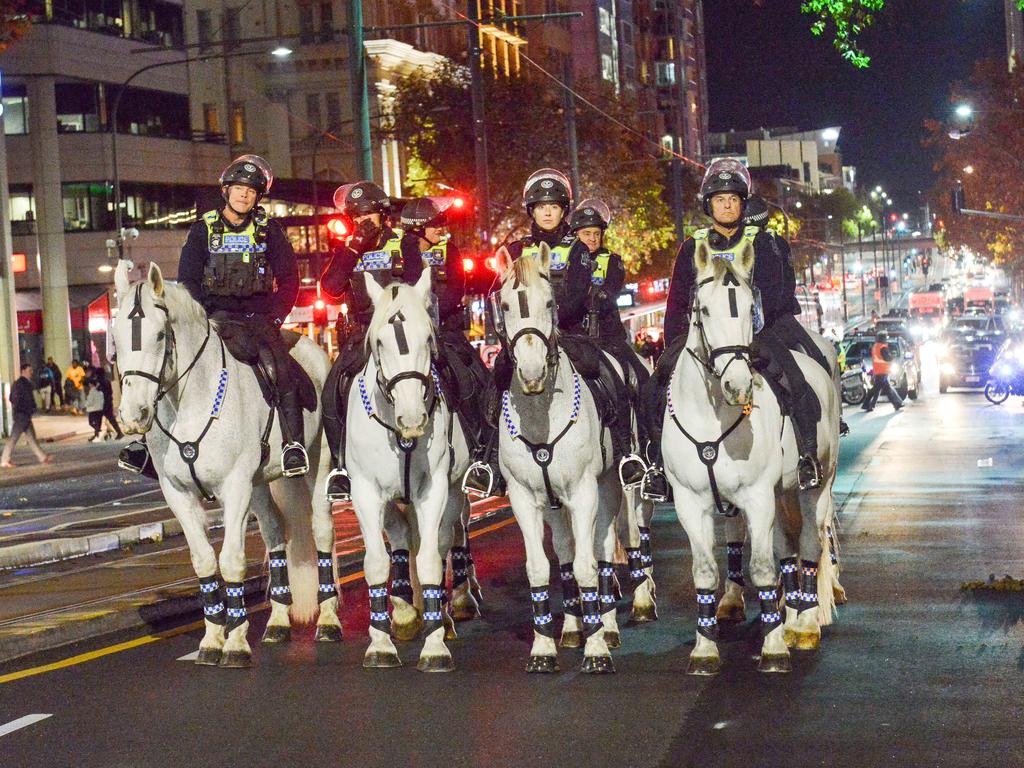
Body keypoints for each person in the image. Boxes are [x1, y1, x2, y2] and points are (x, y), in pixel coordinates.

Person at [640, 158, 824, 501]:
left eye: (734, 199)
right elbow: (677, 301)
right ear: (708, 205)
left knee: (794, 379)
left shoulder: (761, 243)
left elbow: (773, 292)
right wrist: (673, 346)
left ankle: (808, 455)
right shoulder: (693, 246)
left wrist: (747, 334)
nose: (727, 205)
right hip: (701, 340)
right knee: (653, 387)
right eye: (720, 199)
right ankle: (655, 466)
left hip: (756, 335)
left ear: (742, 203)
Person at [119, 154, 307, 477]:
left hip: (258, 320)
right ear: (227, 190)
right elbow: (188, 280)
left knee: (280, 368)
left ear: (258, 197)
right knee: (164, 366)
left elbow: (289, 281)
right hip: (213, 319)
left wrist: (275, 318)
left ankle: (292, 445)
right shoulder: (202, 230)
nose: (244, 195)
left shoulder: (269, 231)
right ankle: (146, 445)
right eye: (239, 188)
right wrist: (201, 315)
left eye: (251, 191)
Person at [319, 181, 423, 501]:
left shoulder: (404, 243)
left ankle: (473, 451)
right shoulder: (347, 249)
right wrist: (352, 249)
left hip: (401, 332)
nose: (363, 223)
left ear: (383, 216)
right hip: (361, 337)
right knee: (332, 390)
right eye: (357, 217)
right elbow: (330, 289)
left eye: (369, 216)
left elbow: (417, 281)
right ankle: (341, 465)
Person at [399, 196, 494, 466]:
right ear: (418, 229)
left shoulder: (448, 250)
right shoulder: (399, 252)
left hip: (446, 336)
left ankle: (483, 449)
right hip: (408, 336)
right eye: (435, 226)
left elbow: (456, 289)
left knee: (474, 379)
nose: (441, 231)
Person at [564, 198, 648, 482]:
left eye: (595, 234)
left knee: (641, 380)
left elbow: (610, 288)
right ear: (575, 235)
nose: (591, 238)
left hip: (608, 339)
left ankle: (636, 449)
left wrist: (594, 294)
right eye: (585, 233)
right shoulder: (566, 257)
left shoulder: (612, 261)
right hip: (576, 337)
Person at [1, 363, 52, 467]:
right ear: (23, 371)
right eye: (30, 371)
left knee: (31, 438)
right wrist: (25, 407)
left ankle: (42, 457)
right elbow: (16, 398)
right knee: (14, 437)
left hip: (24, 414)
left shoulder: (23, 383)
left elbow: (13, 398)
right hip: (22, 414)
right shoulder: (21, 383)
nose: (31, 373)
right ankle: (5, 460)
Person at [862, 330, 903, 412]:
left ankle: (897, 403)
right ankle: (867, 404)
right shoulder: (883, 347)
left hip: (878, 371)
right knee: (880, 389)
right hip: (882, 372)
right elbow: (887, 358)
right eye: (886, 337)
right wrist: (892, 356)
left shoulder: (875, 346)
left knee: (878, 389)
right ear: (883, 338)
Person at [92, 365, 124, 439]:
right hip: (107, 403)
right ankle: (119, 433)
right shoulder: (106, 381)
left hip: (103, 404)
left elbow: (100, 393)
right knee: (109, 419)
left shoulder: (100, 382)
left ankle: (97, 435)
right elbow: (110, 392)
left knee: (99, 420)